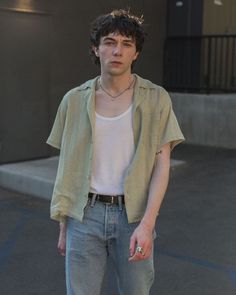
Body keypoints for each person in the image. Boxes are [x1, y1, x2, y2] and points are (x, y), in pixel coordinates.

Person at [47, 9, 184, 295]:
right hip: (83, 216)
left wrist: (148, 224)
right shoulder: (73, 100)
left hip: (132, 215)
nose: (117, 50)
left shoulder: (156, 98)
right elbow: (66, 167)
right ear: (95, 49)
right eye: (109, 42)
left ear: (135, 53)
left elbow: (162, 165)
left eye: (127, 43)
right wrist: (64, 225)